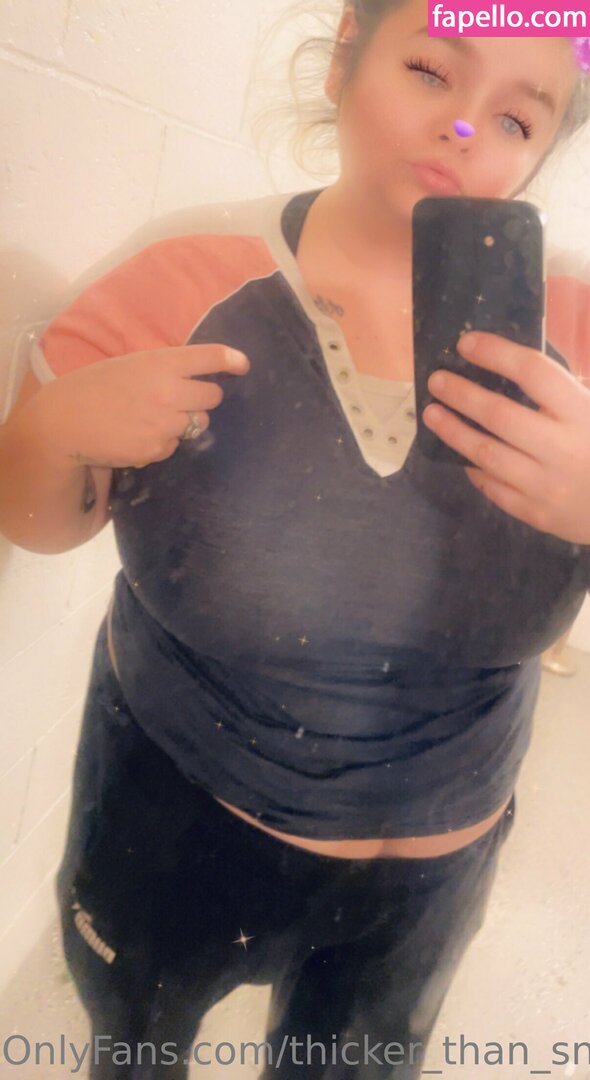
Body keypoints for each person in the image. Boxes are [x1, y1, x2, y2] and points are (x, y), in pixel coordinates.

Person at [2, 0, 590, 1076]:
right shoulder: (184, 277)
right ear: (342, 59)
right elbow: (36, 525)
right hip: (173, 824)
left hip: (431, 877)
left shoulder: (576, 330)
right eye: (430, 71)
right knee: (135, 1050)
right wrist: (50, 430)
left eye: (517, 118)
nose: (463, 128)